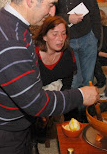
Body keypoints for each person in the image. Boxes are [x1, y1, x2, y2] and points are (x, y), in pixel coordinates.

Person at [0, 0, 99, 154]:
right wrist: (81, 95)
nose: (52, 11)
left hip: (8, 122)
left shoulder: (9, 20)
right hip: (3, 132)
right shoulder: (10, 41)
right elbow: (36, 103)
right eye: (50, 4)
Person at [31, 15, 77, 153]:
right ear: (44, 36)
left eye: (63, 34)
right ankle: (32, 143)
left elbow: (67, 84)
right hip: (34, 92)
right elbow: (26, 87)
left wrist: (56, 105)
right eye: (55, 34)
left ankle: (72, 142)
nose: (60, 38)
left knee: (76, 107)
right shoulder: (32, 53)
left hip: (54, 91)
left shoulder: (68, 54)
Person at [55, 0, 101, 88]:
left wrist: (96, 37)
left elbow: (94, 11)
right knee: (74, 82)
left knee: (88, 80)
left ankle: (86, 107)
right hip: (65, 41)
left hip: (87, 38)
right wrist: (67, 18)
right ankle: (75, 107)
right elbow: (45, 14)